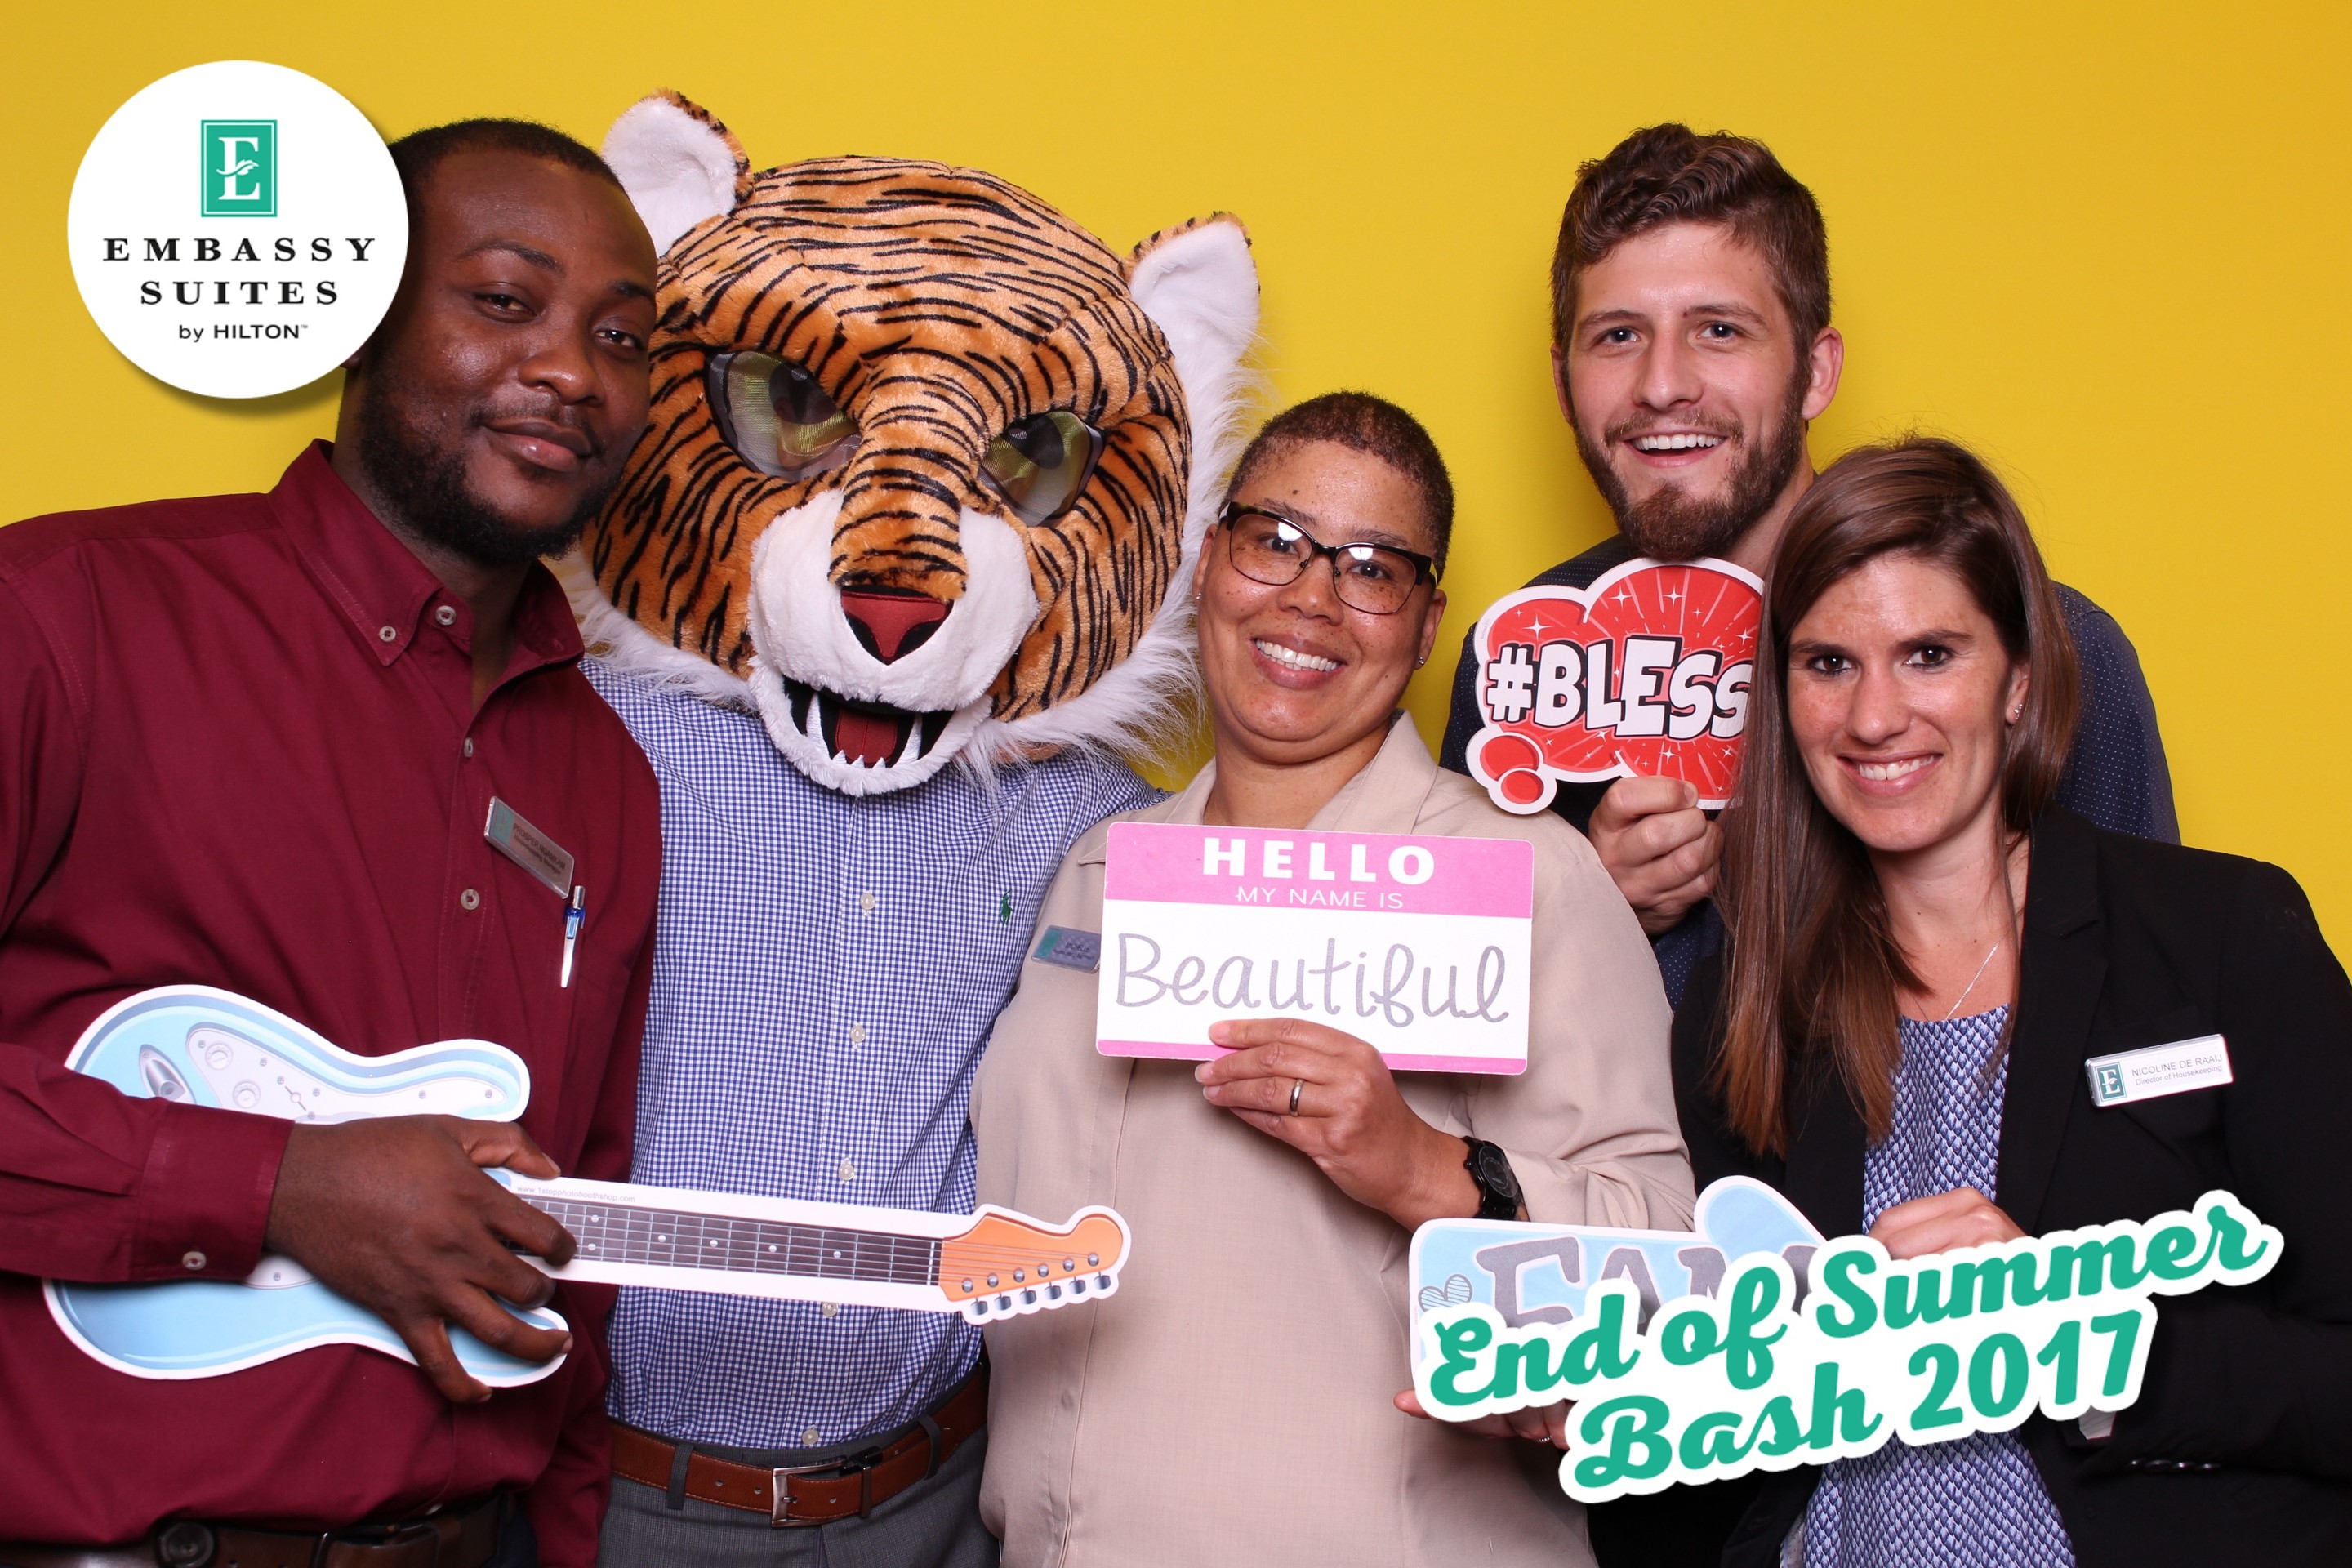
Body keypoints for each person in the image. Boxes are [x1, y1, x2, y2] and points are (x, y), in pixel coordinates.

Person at [0, 122, 662, 1568]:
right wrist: (272, 1188)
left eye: (624, 337)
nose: (573, 371)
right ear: (357, 312)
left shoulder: (609, 775)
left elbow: (577, 1247)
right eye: (505, 300)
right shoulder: (59, 613)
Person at [972, 391, 1695, 1566]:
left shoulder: (1527, 880)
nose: (1310, 598)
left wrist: (1423, 1166)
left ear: (1426, 624)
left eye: (1372, 569)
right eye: (1275, 541)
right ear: (1209, 562)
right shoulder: (1099, 864)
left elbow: (1670, 1274)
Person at [1676, 437, 2352, 1566]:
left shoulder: (2223, 940)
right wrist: (1604, 1406)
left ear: (2021, 680)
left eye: (1929, 654)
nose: (1874, 716)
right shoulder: (1743, 1007)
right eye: (1829, 663)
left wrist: (2073, 1339)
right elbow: (1732, 1445)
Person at [1437, 125, 2176, 1012]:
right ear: (1563, 386)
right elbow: (1459, 1027)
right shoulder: (1524, 658)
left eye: (1719, 330)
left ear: (1816, 373)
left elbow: (2150, 1001)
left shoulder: (2045, 647)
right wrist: (1586, 906)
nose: (1662, 385)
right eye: (1619, 335)